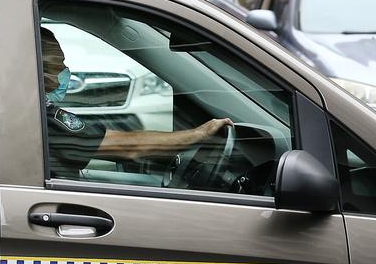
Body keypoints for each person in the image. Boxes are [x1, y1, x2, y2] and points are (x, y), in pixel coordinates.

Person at [40, 27, 233, 176]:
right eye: (59, 63)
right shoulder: (42, 119)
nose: (65, 70)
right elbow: (127, 147)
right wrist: (198, 134)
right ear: (40, 70)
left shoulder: (32, 110)